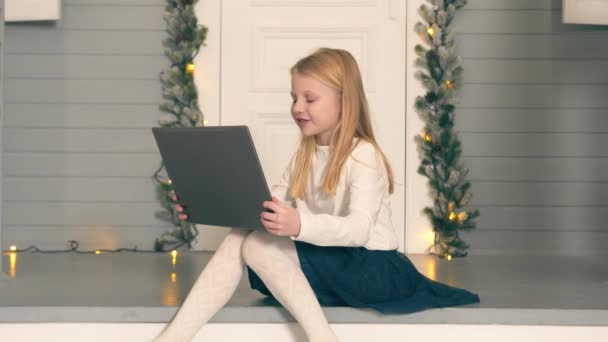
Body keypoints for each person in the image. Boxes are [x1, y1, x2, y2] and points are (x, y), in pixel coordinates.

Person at [152, 47, 480, 342]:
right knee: (244, 233)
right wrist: (209, 203)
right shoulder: (305, 154)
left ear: (344, 101)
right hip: (336, 265)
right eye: (294, 98)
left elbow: (358, 231)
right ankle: (175, 337)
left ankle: (322, 337)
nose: (297, 107)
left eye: (309, 99)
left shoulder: (363, 154)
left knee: (256, 245)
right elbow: (267, 208)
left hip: (373, 268)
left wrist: (298, 226)